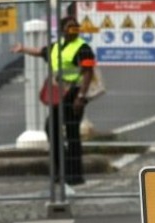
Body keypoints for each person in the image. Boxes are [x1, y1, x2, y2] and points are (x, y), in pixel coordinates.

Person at [12, 15, 96, 186]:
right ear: (63, 30)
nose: (73, 30)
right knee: (52, 129)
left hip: (74, 93)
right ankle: (61, 171)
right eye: (70, 27)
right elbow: (40, 52)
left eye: (75, 27)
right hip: (60, 93)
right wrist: (23, 49)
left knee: (71, 133)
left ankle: (74, 174)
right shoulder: (56, 47)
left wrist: (81, 97)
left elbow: (88, 72)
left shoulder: (83, 48)